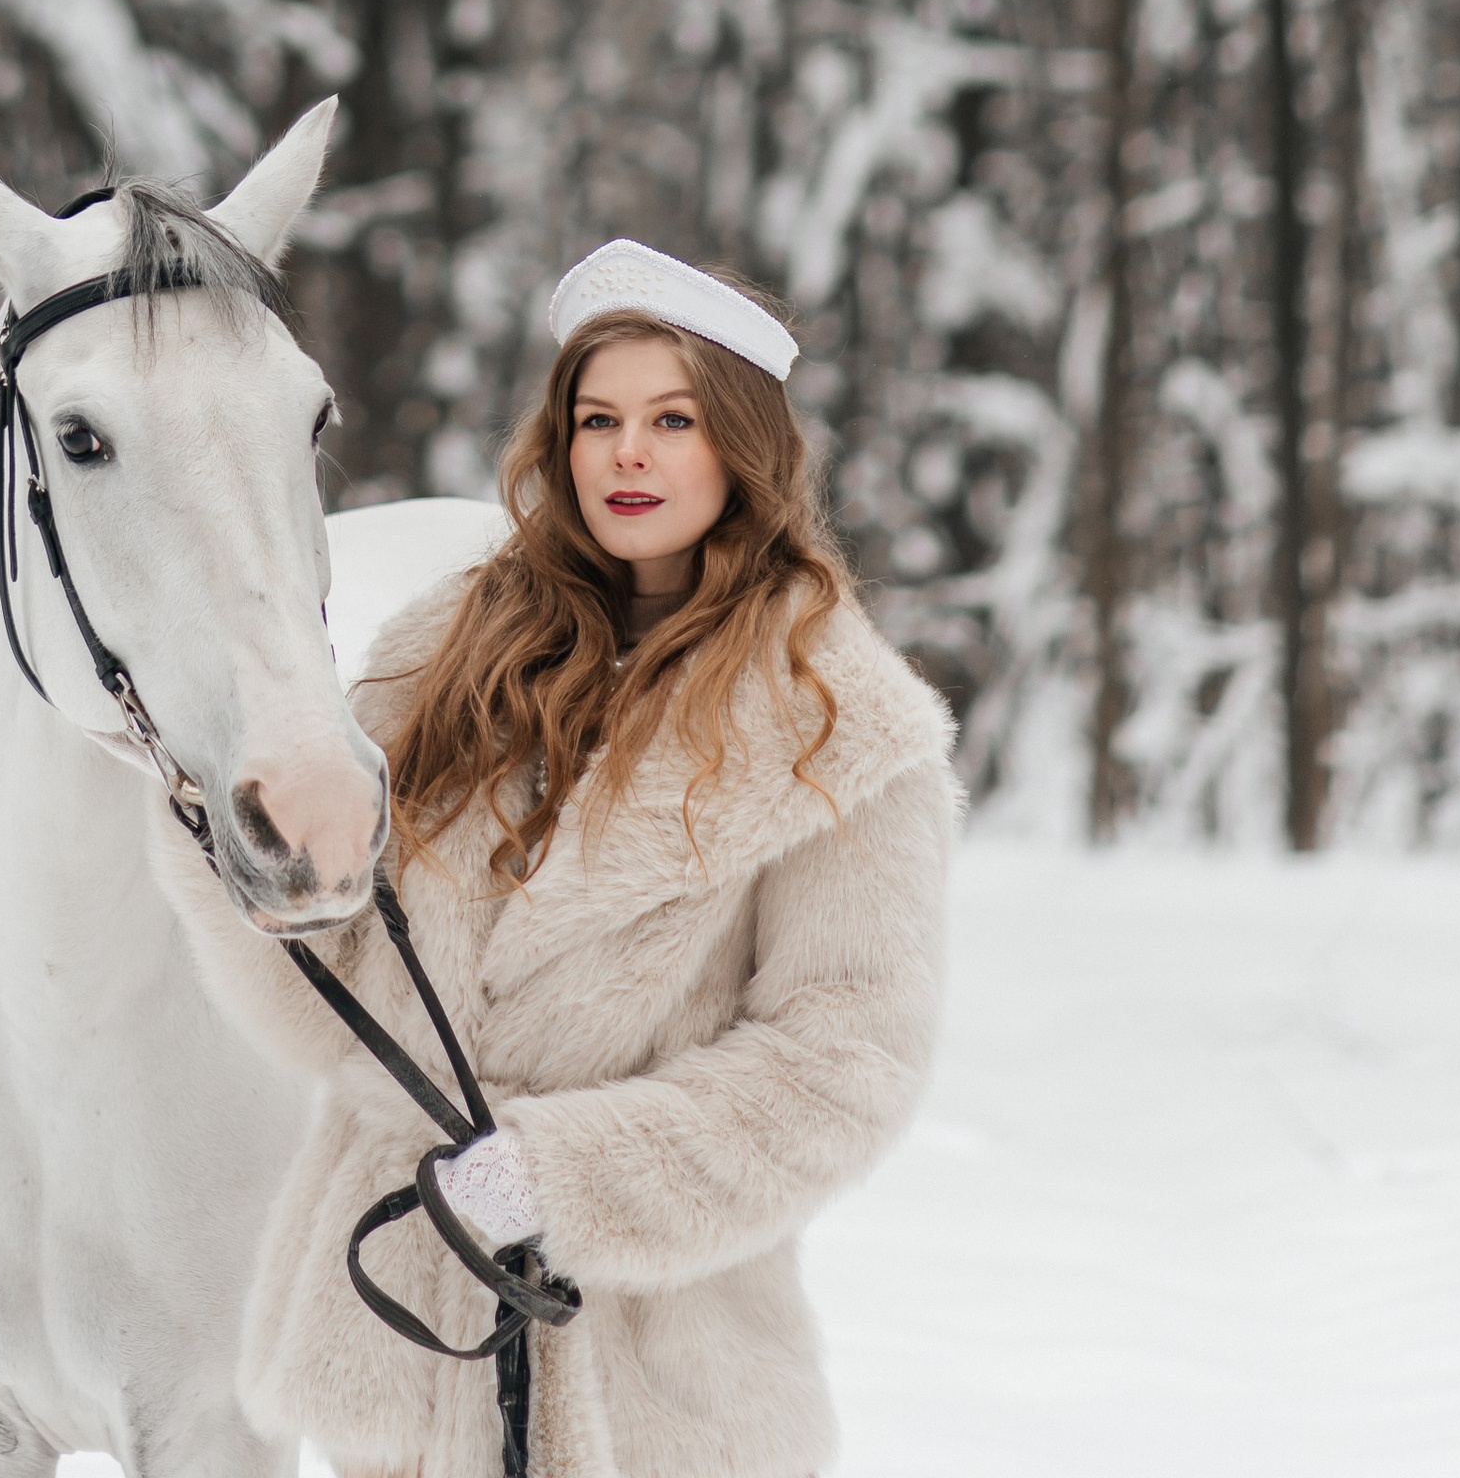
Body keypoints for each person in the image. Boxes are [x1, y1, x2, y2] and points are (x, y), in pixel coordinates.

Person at [158, 236, 956, 1478]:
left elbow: (840, 1067)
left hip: (652, 1390)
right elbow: (342, 1005)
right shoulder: (452, 658)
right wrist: (224, 819)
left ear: (741, 448)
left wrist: (563, 1179)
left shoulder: (840, 729)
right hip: (407, 1366)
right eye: (597, 419)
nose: (625, 453)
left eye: (672, 420)